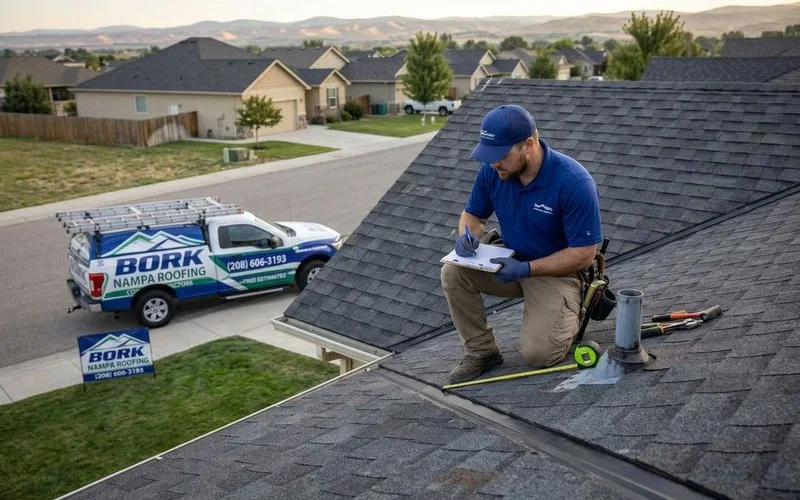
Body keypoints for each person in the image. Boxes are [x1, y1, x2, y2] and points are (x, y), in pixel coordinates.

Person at [441, 105, 602, 384]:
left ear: (529, 145)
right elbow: (474, 215)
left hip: (556, 273)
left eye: (501, 156)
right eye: (489, 156)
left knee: (539, 355)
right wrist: (467, 234)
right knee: (453, 272)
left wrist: (526, 269)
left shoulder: (573, 182)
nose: (493, 163)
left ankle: (570, 314)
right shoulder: (494, 171)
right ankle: (483, 353)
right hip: (509, 259)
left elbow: (585, 254)